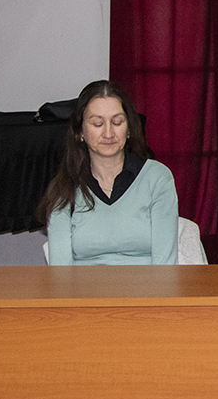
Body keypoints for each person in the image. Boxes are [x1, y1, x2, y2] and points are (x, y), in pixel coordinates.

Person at [38, 80, 179, 265]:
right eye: (97, 124)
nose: (108, 133)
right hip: (82, 284)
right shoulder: (63, 188)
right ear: (80, 131)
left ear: (129, 129)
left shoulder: (157, 178)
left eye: (117, 122)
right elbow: (61, 271)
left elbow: (166, 265)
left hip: (147, 284)